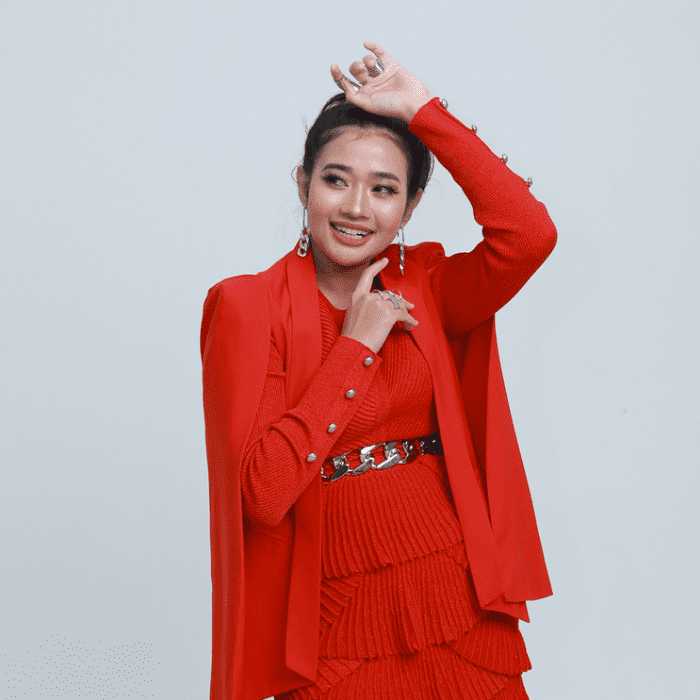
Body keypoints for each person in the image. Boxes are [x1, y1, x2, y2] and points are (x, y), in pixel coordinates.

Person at [200, 41, 557, 700]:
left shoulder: (427, 286)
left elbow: (528, 235)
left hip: (452, 592)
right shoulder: (248, 307)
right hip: (335, 617)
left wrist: (425, 113)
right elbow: (263, 493)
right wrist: (357, 346)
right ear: (302, 182)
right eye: (336, 180)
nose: (357, 208)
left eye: (384, 189)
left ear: (411, 205)